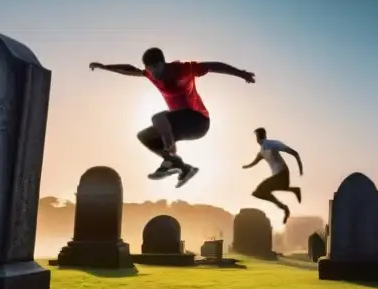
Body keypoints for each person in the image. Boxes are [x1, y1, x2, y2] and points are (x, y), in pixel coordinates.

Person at [89, 48, 255, 188]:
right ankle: (182, 167)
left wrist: (241, 73)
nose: (153, 73)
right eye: (150, 69)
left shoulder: (183, 69)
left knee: (158, 118)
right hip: (179, 125)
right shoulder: (150, 74)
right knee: (145, 136)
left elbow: (213, 66)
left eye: (156, 68)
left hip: (199, 121)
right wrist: (105, 67)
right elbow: (130, 70)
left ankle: (170, 152)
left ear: (163, 63)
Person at [242, 128, 303, 223]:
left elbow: (295, 153)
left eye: (257, 137)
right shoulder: (262, 151)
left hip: (282, 174)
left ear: (258, 137)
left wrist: (300, 169)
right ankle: (293, 192)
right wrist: (246, 166)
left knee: (260, 190)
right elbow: (254, 162)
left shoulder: (273, 144)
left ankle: (285, 207)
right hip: (278, 177)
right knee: (258, 193)